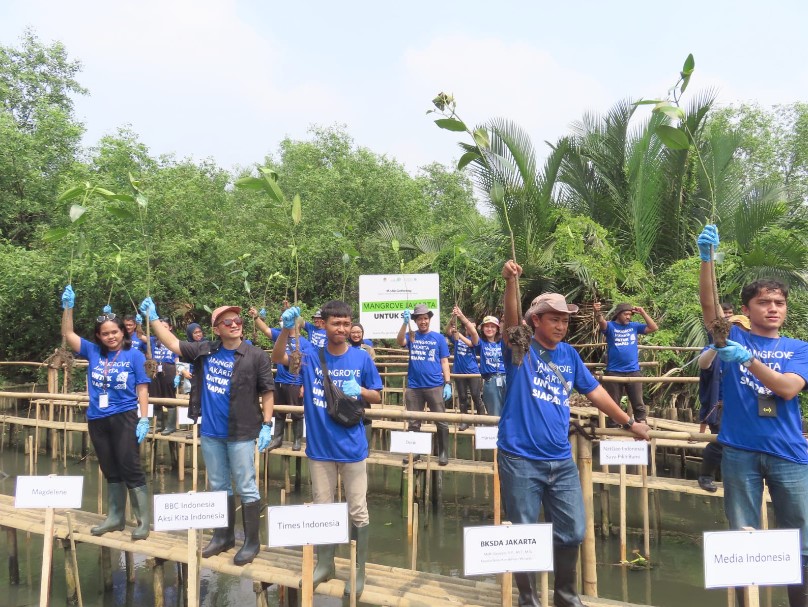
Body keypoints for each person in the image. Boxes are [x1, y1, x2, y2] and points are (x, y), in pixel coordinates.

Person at [499, 262, 649, 607]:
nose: (562, 325)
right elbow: (510, 325)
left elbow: (595, 392)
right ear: (535, 320)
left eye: (565, 319)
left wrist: (629, 422)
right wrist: (511, 284)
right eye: (554, 318)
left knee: (573, 531)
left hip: (559, 458)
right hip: (520, 457)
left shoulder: (568, 354)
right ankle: (528, 598)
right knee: (523, 533)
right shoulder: (519, 349)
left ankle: (565, 595)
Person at [698, 224, 808, 605]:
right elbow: (710, 307)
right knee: (742, 536)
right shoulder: (733, 335)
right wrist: (706, 260)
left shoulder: (799, 347)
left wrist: (750, 361)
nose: (773, 309)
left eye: (779, 303)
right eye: (764, 302)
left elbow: (788, 388)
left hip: (788, 452)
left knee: (800, 537)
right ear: (746, 310)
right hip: (739, 450)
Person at [141, 298, 275, 566]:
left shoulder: (256, 355)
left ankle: (251, 542)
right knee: (218, 485)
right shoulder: (205, 351)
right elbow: (173, 344)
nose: (235, 324)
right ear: (217, 328)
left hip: (242, 431)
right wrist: (153, 318)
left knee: (246, 487)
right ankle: (223, 536)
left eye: (237, 320)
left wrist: (268, 424)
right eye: (228, 322)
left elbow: (267, 391)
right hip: (212, 431)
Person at [272, 301, 382, 597]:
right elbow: (279, 356)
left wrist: (359, 391)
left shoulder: (361, 359)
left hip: (352, 447)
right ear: (325, 324)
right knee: (324, 508)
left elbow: (378, 396)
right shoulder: (309, 356)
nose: (342, 329)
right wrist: (285, 329)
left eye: (347, 324)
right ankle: (326, 563)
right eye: (336, 323)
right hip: (320, 449)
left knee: (358, 510)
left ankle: (359, 571)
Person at [60, 286, 152, 540]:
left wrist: (144, 418)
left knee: (129, 466)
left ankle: (142, 521)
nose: (110, 337)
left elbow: (142, 388)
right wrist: (68, 307)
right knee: (109, 468)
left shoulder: (134, 355)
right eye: (105, 334)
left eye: (114, 332)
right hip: (97, 418)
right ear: (98, 337)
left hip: (125, 417)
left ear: (122, 332)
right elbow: (68, 333)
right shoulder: (93, 352)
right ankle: (115, 518)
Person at [697, 312, 750, 492]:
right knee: (720, 441)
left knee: (743, 444)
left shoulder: (747, 352)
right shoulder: (714, 350)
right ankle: (705, 476)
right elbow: (703, 364)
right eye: (735, 329)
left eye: (742, 330)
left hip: (743, 406)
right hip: (720, 405)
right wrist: (717, 346)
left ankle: (739, 479)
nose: (738, 333)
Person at [249, 306, 311, 452]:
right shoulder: (280, 336)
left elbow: (307, 368)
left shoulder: (305, 344)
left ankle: (297, 440)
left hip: (295, 383)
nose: (284, 323)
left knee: (296, 413)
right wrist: (256, 317)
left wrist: (304, 386)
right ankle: (277, 439)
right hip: (279, 382)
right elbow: (265, 330)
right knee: (278, 412)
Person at [396, 303, 452, 466]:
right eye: (420, 319)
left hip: (435, 385)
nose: (423, 321)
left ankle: (443, 453)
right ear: (415, 320)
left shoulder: (439, 338)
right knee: (414, 421)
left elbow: (444, 361)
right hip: (414, 387)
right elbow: (399, 341)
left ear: (429, 319)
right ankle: (415, 452)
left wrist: (447, 383)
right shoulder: (411, 335)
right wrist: (405, 323)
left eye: (425, 318)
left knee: (440, 420)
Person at [593, 301, 659, 423]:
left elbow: (653, 327)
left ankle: (642, 425)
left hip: (633, 371)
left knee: (638, 403)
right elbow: (601, 323)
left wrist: (643, 312)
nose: (628, 317)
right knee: (613, 403)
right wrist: (597, 312)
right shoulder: (611, 326)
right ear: (618, 314)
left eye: (630, 314)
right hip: (614, 371)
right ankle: (612, 428)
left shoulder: (634, 326)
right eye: (625, 314)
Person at [445, 305, 485, 431]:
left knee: (475, 395)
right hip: (458, 371)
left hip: (472, 372)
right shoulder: (457, 336)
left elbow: (471, 343)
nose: (470, 327)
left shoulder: (475, 338)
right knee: (462, 397)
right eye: (469, 325)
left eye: (473, 325)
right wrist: (453, 317)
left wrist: (459, 335)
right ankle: (464, 421)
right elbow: (447, 330)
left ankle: (481, 421)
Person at [149, 317, 180, 435]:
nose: (162, 329)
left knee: (169, 397)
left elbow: (177, 359)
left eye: (165, 327)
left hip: (169, 369)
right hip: (155, 370)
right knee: (155, 396)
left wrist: (178, 374)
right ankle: (158, 424)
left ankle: (171, 426)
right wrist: (139, 323)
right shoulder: (153, 340)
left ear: (170, 328)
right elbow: (140, 335)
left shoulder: (174, 340)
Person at [477, 315, 505, 417]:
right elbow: (472, 331)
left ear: (497, 329)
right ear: (482, 328)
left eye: (493, 326)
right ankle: (496, 433)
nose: (489, 329)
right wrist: (461, 316)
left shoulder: (503, 342)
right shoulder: (481, 343)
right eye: (487, 326)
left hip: (506, 378)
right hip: (491, 380)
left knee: (510, 410)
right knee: (494, 413)